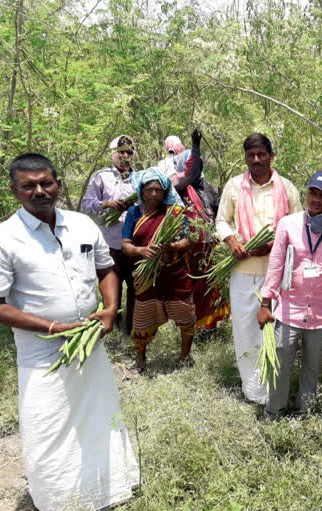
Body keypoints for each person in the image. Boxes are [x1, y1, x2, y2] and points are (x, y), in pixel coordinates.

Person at [0, 153, 139, 511]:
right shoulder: (3, 239)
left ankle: (111, 489)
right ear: (15, 191)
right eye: (29, 186)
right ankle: (59, 501)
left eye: (46, 182)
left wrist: (109, 309)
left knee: (100, 413)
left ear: (58, 184)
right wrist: (52, 327)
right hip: (41, 352)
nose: (39, 191)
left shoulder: (82, 225)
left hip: (90, 345)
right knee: (48, 424)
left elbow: (106, 269)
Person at [257, 171, 322, 417]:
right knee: (280, 366)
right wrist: (265, 304)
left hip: (321, 314)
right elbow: (275, 265)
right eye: (312, 193)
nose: (316, 199)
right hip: (288, 310)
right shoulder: (288, 225)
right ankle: (274, 413)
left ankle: (304, 414)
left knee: (312, 368)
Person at [215, 133, 302, 403]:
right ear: (245, 158)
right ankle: (253, 392)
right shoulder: (233, 187)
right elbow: (221, 221)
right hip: (243, 271)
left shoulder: (286, 188)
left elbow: (298, 225)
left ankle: (275, 390)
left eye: (261, 154)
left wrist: (278, 244)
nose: (256, 160)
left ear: (271, 156)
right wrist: (231, 240)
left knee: (277, 334)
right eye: (250, 155)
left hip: (278, 275)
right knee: (245, 331)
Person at [121, 168, 195, 374]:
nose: (153, 194)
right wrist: (140, 250)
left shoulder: (175, 213)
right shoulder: (134, 213)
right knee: (143, 316)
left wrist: (173, 247)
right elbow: (125, 244)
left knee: (186, 315)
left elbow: (188, 240)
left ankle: (184, 357)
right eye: (149, 189)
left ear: (165, 191)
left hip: (174, 273)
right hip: (145, 275)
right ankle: (141, 358)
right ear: (141, 191)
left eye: (158, 190)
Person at [170, 130, 229, 331]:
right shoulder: (178, 184)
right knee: (194, 286)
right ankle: (192, 327)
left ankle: (210, 327)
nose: (197, 168)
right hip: (190, 246)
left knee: (212, 285)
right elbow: (191, 173)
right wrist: (195, 145)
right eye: (192, 164)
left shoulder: (205, 185)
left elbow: (216, 208)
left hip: (209, 244)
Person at [81, 134, 138, 334]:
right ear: (113, 153)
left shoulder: (138, 178)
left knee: (135, 288)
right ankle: (109, 326)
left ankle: (130, 329)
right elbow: (86, 205)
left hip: (132, 243)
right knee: (112, 289)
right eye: (121, 151)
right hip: (108, 244)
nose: (125, 156)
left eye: (129, 152)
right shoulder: (101, 176)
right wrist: (106, 203)